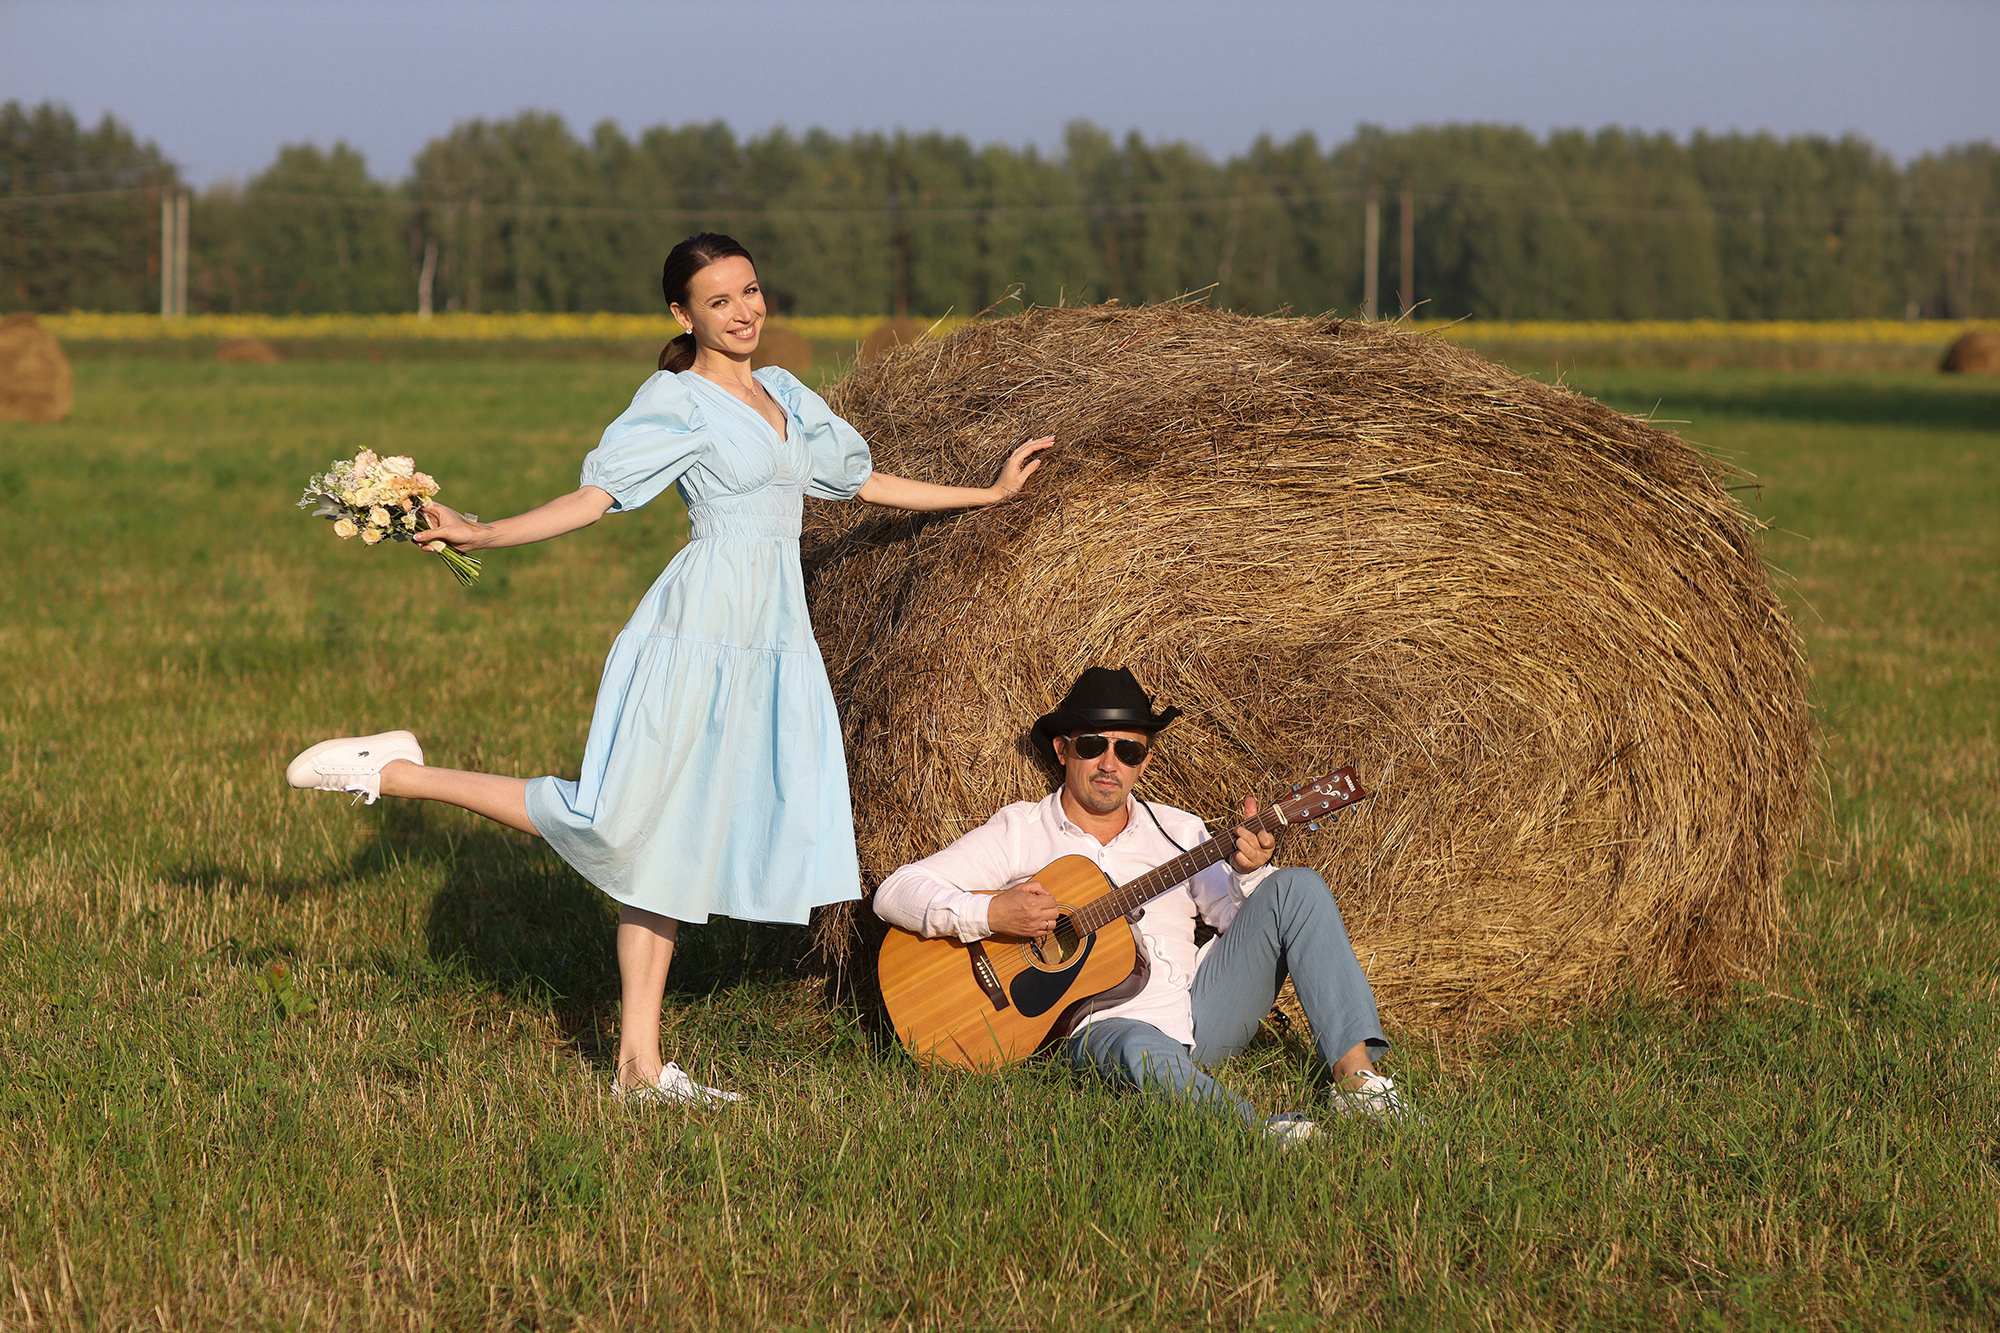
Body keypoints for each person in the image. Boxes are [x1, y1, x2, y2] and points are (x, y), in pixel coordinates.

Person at [286, 233, 1052, 1106]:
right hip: (696, 632)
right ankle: (393, 770)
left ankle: (638, 1069)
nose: (744, 311)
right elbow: (596, 497)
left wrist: (988, 496)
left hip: (770, 639)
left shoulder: (789, 395)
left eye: (752, 291)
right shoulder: (675, 401)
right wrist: (487, 530)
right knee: (617, 823)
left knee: (671, 843)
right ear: (682, 316)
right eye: (720, 300)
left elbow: (862, 482)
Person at [872, 667, 1412, 1141]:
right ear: (1062, 749)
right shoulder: (1022, 831)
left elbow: (1239, 922)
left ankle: (1360, 1083)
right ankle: (1263, 1134)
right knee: (1138, 1046)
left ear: (1144, 761)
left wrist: (1249, 874)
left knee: (1297, 887)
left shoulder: (1179, 831)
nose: (1110, 764)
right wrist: (990, 915)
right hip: (1099, 1026)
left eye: (1128, 750)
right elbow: (895, 892)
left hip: (1198, 1012)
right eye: (1092, 745)